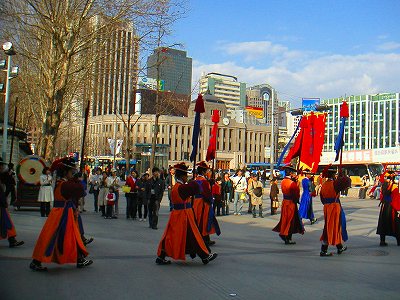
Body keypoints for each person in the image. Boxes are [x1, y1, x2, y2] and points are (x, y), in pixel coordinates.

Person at [30, 157, 92, 271]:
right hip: (62, 214)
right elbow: (81, 190)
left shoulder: (60, 182)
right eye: (71, 172)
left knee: (71, 236)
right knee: (53, 237)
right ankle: (36, 261)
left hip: (63, 212)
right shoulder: (65, 184)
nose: (72, 174)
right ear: (65, 172)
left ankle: (80, 259)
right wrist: (78, 179)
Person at [156, 162, 218, 265]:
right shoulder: (181, 187)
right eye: (185, 176)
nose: (186, 178)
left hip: (178, 215)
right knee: (194, 236)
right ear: (182, 176)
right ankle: (205, 256)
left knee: (171, 236)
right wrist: (197, 182)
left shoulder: (177, 187)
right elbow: (196, 189)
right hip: (184, 216)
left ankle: (161, 256)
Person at [319, 168, 350, 256]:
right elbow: (347, 182)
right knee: (332, 227)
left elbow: (322, 198)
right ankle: (323, 250)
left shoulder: (324, 185)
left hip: (327, 207)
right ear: (333, 175)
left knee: (333, 227)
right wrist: (342, 176)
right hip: (334, 208)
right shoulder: (335, 184)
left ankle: (339, 247)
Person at [272, 166, 304, 244]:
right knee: (291, 220)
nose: (294, 174)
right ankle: (286, 235)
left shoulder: (283, 181)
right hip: (291, 203)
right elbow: (296, 194)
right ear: (290, 173)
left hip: (285, 201)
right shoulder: (292, 183)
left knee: (285, 219)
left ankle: (286, 235)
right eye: (293, 172)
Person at [193, 161, 221, 246]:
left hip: (196, 202)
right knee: (204, 221)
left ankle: (205, 238)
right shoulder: (203, 181)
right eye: (206, 171)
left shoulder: (196, 179)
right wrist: (211, 199)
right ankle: (203, 239)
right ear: (203, 172)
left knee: (200, 220)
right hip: (203, 203)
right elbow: (206, 193)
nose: (208, 172)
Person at [0, 159, 24, 248]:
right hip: (1, 205)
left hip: (2, 205)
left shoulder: (3, 174)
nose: (2, 167)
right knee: (6, 223)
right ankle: (12, 240)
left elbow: (6, 180)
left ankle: (12, 240)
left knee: (7, 223)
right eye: (1, 165)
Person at [376, 171, 400, 246]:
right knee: (395, 224)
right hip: (391, 206)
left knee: (382, 223)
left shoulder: (383, 185)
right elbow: (396, 197)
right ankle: (399, 241)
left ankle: (382, 241)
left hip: (384, 206)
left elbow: (381, 196)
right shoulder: (394, 186)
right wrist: (398, 209)